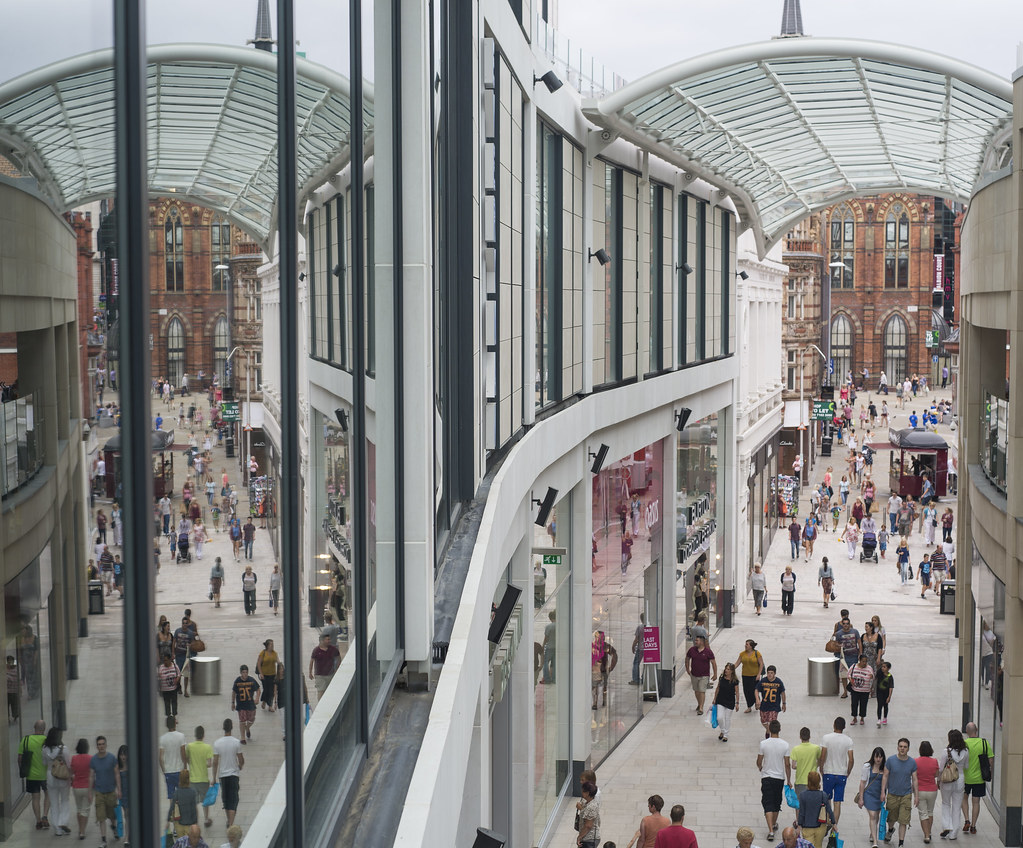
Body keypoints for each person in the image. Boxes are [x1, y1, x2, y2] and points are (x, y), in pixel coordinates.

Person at [757, 719, 792, 841]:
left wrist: (761, 768)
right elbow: (787, 764)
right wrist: (789, 779)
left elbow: (759, 761)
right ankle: (773, 824)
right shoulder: (785, 745)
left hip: (767, 776)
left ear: (769, 730)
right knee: (777, 803)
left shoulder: (763, 744)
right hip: (779, 778)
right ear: (780, 729)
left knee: (767, 802)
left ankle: (771, 830)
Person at [882, 738, 919, 847]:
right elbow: (885, 776)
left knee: (904, 820)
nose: (902, 749)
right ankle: (890, 829)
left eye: (905, 747)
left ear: (908, 749)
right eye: (901, 746)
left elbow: (915, 779)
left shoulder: (912, 762)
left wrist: (916, 796)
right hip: (892, 794)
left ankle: (901, 843)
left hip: (906, 795)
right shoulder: (890, 760)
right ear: (897, 747)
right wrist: (882, 792)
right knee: (891, 818)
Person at [820, 717, 855, 826]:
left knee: (827, 799)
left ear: (834, 725)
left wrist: (821, 768)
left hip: (829, 771)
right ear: (844, 727)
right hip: (841, 773)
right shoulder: (848, 740)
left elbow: (823, 755)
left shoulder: (826, 738)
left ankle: (828, 820)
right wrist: (848, 771)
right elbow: (851, 759)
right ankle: (835, 825)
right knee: (838, 801)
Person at [212, 718, 245, 829]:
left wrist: (213, 777)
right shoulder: (236, 742)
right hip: (234, 774)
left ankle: (229, 821)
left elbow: (215, 762)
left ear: (223, 728)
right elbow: (241, 759)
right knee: (233, 799)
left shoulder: (217, 743)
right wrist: (240, 766)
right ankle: (231, 824)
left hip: (223, 775)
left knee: (226, 799)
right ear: (232, 727)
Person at [89, 735, 121, 844]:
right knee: (101, 817)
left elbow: (117, 774)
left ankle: (114, 827)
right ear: (97, 746)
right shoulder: (93, 760)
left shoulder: (112, 758)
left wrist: (119, 789)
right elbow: (91, 776)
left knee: (112, 815)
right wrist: (90, 792)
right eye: (99, 744)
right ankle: (103, 839)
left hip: (111, 791)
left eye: (103, 744)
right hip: (99, 793)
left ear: (106, 745)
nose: (101, 746)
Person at [962, 722, 992, 835]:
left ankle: (966, 820)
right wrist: (990, 773)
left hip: (965, 778)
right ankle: (973, 826)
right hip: (979, 779)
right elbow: (990, 760)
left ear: (966, 731)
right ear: (977, 730)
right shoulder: (984, 743)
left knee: (964, 798)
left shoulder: (964, 744)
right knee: (976, 802)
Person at [19, 719, 49, 829]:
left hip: (31, 775)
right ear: (44, 729)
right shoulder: (47, 741)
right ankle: (45, 816)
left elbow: (20, 758)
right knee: (48, 794)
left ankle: (38, 820)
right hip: (45, 775)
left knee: (35, 798)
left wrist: (22, 769)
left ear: (34, 728)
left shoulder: (26, 740)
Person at [939, 729, 969, 840]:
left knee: (946, 803)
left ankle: (947, 826)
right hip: (960, 779)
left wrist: (938, 780)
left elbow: (941, 768)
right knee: (957, 807)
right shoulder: (966, 751)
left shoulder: (946, 751)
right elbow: (966, 766)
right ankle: (954, 833)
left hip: (947, 781)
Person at [41, 726, 72, 836]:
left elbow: (44, 763)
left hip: (50, 776)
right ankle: (62, 823)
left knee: (54, 803)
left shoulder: (44, 749)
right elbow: (69, 764)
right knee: (64, 800)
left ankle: (57, 829)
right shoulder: (64, 749)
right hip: (63, 777)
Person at [182, 727, 214, 828]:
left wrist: (191, 763)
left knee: (194, 802)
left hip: (193, 779)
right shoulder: (207, 747)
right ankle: (206, 818)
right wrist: (203, 764)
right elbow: (209, 764)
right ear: (203, 735)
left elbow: (186, 758)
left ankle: (195, 821)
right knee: (205, 801)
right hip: (203, 779)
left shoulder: (190, 746)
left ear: (195, 735)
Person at [857, 746, 887, 848]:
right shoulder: (867, 767)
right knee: (873, 815)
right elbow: (862, 782)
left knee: (876, 816)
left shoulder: (885, 768)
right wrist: (861, 798)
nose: (878, 759)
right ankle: (875, 841)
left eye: (880, 757)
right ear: (873, 757)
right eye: (876, 757)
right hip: (869, 794)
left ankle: (872, 832)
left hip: (879, 796)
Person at [796, 771, 834, 848]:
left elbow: (802, 813)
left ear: (808, 781)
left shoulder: (803, 795)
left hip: (807, 827)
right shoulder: (823, 795)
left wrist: (799, 825)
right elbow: (829, 810)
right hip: (820, 826)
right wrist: (834, 823)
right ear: (819, 782)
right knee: (818, 846)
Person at [685, 635, 717, 715]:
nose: (695, 642)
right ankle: (699, 704)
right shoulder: (692, 650)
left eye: (697, 641)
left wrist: (715, 674)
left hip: (704, 675)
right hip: (694, 674)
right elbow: (687, 659)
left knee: (702, 691)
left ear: (702, 642)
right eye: (695, 640)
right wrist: (687, 669)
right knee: (696, 691)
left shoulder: (708, 652)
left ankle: (701, 708)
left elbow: (713, 663)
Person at [915, 741, 940, 844]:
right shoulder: (934, 761)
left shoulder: (915, 761)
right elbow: (936, 774)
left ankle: (926, 835)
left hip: (920, 790)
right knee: (930, 811)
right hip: (932, 790)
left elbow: (914, 775)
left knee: (922, 813)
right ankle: (929, 832)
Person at [230, 665, 259, 743]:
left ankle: (247, 728)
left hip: (250, 703)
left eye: (246, 672)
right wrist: (233, 703)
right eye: (243, 672)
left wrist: (257, 698)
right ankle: (243, 737)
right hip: (241, 704)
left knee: (251, 719)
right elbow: (234, 692)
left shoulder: (251, 680)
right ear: (240, 673)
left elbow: (258, 689)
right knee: (242, 720)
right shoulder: (237, 681)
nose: (245, 674)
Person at [169, 768, 201, 838]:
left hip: (179, 824)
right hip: (189, 824)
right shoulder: (192, 792)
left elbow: (172, 807)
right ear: (188, 779)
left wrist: (168, 819)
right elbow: (194, 809)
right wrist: (196, 823)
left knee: (181, 843)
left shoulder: (177, 792)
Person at [160, 715, 187, 800]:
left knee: (171, 797)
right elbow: (183, 754)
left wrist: (164, 770)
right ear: (175, 723)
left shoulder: (162, 738)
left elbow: (160, 758)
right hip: (179, 770)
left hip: (168, 771)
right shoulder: (181, 736)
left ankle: (173, 812)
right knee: (182, 795)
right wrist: (185, 767)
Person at [755, 666, 786, 736]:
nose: (769, 675)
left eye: (771, 673)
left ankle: (772, 735)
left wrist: (784, 704)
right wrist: (757, 700)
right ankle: (768, 730)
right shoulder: (763, 681)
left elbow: (783, 693)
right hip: (764, 705)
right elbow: (756, 690)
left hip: (774, 706)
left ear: (775, 673)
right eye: (768, 673)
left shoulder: (778, 682)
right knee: (763, 721)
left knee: (772, 721)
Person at [790, 727, 821, 797]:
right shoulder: (816, 748)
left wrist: (800, 765)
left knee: (799, 804)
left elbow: (793, 766)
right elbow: (820, 762)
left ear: (800, 737)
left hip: (800, 780)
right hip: (813, 780)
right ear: (809, 736)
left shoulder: (796, 749)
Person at [70, 739, 91, 840]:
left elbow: (72, 772)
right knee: (85, 809)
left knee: (79, 809)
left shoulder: (74, 758)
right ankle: (82, 831)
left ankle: (80, 829)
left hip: (76, 787)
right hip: (87, 787)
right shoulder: (90, 758)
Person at [309, 632, 341, 699]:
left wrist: (337, 668)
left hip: (330, 675)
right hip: (320, 675)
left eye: (329, 639)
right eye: (327, 639)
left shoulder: (333, 649)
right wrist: (310, 672)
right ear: (322, 640)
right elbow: (312, 661)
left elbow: (338, 657)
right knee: (321, 691)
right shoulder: (316, 650)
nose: (329, 641)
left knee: (330, 692)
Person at [713, 662, 740, 742]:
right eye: (726, 668)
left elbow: (737, 692)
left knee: (727, 718)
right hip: (720, 700)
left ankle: (725, 735)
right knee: (719, 717)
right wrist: (714, 698)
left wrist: (737, 703)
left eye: (728, 669)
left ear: (732, 671)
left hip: (730, 701)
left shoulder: (735, 681)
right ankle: (722, 730)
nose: (726, 670)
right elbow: (717, 688)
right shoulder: (721, 678)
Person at [835, 619, 861, 697]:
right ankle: (845, 691)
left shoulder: (855, 632)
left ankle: (854, 689)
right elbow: (836, 643)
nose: (846, 625)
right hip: (844, 657)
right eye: (844, 624)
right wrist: (839, 646)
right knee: (844, 675)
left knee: (854, 674)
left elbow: (859, 642)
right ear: (842, 624)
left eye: (847, 623)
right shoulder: (839, 633)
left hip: (854, 655)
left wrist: (860, 653)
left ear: (850, 624)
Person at [737, 639, 765, 713]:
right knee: (746, 691)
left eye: (747, 644)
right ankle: (749, 706)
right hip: (745, 675)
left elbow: (761, 664)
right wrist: (730, 668)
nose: (745, 645)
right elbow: (737, 663)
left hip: (754, 675)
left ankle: (756, 701)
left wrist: (759, 674)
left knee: (754, 690)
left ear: (751, 646)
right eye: (745, 644)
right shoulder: (742, 654)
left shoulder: (757, 653)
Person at [848, 655, 875, 726]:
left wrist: (871, 678)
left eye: (866, 661)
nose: (864, 663)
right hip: (855, 690)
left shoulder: (869, 668)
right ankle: (854, 717)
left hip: (865, 691)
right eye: (863, 661)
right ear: (859, 660)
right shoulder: (854, 666)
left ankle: (862, 718)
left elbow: (872, 677)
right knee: (854, 704)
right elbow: (849, 674)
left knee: (863, 705)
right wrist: (851, 680)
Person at [257, 639, 280, 712]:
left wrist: (281, 667)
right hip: (265, 675)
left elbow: (278, 662)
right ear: (267, 646)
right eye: (271, 645)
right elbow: (259, 664)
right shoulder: (263, 653)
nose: (272, 646)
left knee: (272, 691)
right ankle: (264, 701)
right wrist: (261, 673)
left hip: (273, 674)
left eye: (273, 645)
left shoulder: (274, 653)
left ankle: (270, 705)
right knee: (266, 689)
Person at [577, 781, 601, 847]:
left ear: (587, 793)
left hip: (589, 839)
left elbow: (588, 825)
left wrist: (580, 837)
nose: (581, 793)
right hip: (586, 838)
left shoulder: (592, 806)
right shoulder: (587, 802)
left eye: (583, 791)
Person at [159, 653, 182, 717]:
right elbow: (160, 675)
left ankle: (174, 716)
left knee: (174, 703)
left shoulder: (174, 666)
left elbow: (179, 674)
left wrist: (177, 679)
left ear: (170, 660)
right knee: (167, 703)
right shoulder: (161, 667)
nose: (165, 662)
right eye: (164, 660)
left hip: (173, 689)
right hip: (165, 690)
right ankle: (169, 717)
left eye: (166, 660)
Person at [875, 662, 895, 726]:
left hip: (886, 693)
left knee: (885, 706)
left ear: (888, 668)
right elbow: (875, 679)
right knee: (879, 705)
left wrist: (889, 696)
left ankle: (885, 718)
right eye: (882, 667)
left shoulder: (890, 677)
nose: (882, 668)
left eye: (884, 667)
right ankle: (879, 719)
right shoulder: (879, 673)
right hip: (879, 692)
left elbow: (891, 687)